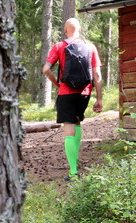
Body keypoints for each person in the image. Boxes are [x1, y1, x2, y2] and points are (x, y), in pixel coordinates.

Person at [43, 18, 103, 181]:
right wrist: (99, 99)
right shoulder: (90, 47)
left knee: (68, 128)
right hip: (84, 93)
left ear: (65, 30)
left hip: (66, 92)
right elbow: (97, 75)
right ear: (80, 30)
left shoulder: (59, 46)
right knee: (77, 123)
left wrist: (57, 84)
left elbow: (46, 69)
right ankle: (74, 159)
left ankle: (73, 172)